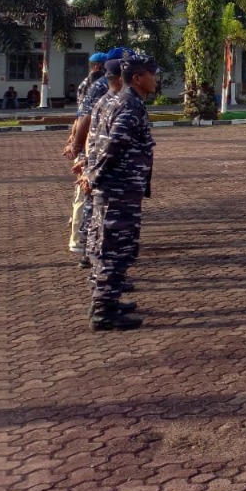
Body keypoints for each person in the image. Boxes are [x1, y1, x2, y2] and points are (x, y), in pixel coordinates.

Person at [84, 53, 158, 331]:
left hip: (116, 188)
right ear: (138, 78)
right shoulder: (129, 106)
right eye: (152, 73)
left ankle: (107, 302)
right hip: (118, 189)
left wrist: (92, 175)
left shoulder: (116, 100)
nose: (156, 78)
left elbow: (96, 142)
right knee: (114, 250)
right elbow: (112, 145)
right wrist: (94, 176)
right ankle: (104, 313)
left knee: (106, 246)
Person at [64, 50, 119, 262]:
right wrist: (77, 146)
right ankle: (80, 243)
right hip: (92, 148)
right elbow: (83, 117)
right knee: (86, 197)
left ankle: (85, 244)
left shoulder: (92, 84)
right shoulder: (97, 86)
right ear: (100, 66)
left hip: (90, 147)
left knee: (87, 198)